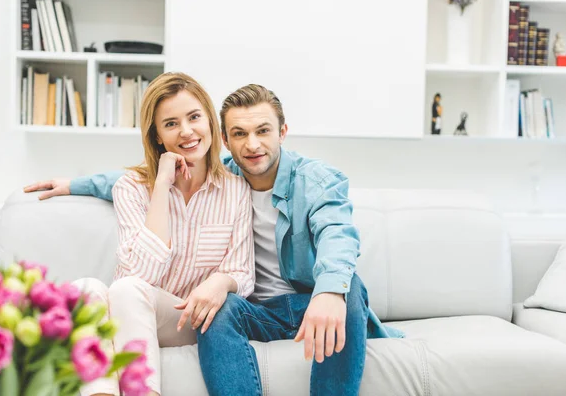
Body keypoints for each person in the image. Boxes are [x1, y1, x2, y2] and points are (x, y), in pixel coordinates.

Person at [25, 83, 404, 396]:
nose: (252, 144)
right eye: (240, 134)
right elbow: (138, 177)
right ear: (225, 138)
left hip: (308, 300)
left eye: (263, 131)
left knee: (346, 285)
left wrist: (328, 291)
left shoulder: (313, 181)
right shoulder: (223, 174)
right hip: (257, 311)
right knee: (210, 307)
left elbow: (339, 235)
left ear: (282, 132)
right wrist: (76, 184)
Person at [61, 72, 255, 396]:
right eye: (171, 124)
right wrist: (162, 187)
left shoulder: (235, 190)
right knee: (85, 289)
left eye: (194, 117)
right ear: (157, 137)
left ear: (210, 121)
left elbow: (243, 274)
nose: (187, 131)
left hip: (185, 320)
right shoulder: (132, 188)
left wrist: (221, 282)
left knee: (124, 290)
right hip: (130, 307)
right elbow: (141, 273)